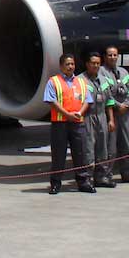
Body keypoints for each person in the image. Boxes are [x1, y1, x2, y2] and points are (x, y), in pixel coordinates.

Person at [43, 54, 95, 194]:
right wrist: (67, 114)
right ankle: (55, 183)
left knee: (80, 153)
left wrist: (79, 113)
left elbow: (87, 101)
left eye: (72, 64)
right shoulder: (54, 81)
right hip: (60, 123)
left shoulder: (81, 82)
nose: (70, 67)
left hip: (77, 123)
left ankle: (83, 182)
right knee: (58, 155)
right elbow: (51, 100)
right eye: (67, 64)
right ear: (61, 66)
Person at [100, 45, 129, 183]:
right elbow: (105, 93)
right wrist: (118, 105)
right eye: (110, 55)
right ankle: (106, 175)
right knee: (110, 147)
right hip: (111, 113)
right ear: (105, 57)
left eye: (115, 55)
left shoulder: (123, 72)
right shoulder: (101, 72)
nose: (112, 57)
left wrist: (127, 105)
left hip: (124, 114)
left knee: (127, 145)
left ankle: (128, 173)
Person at [81, 52, 116, 188]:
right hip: (87, 117)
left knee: (103, 148)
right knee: (89, 149)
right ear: (87, 64)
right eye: (93, 63)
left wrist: (111, 120)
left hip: (102, 116)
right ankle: (87, 178)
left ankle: (101, 177)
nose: (95, 66)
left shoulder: (104, 80)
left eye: (98, 63)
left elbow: (109, 102)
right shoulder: (80, 80)